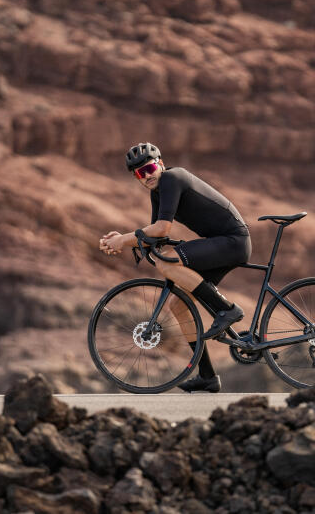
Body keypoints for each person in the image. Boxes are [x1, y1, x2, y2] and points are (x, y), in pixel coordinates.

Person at [98, 142, 251, 393]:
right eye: (139, 173)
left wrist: (124, 240)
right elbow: (153, 237)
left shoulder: (171, 178)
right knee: (178, 305)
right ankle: (207, 376)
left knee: (166, 261)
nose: (146, 176)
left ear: (160, 163)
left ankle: (227, 310)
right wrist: (119, 240)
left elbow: (161, 229)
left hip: (233, 242)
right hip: (221, 243)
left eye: (148, 168)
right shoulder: (157, 192)